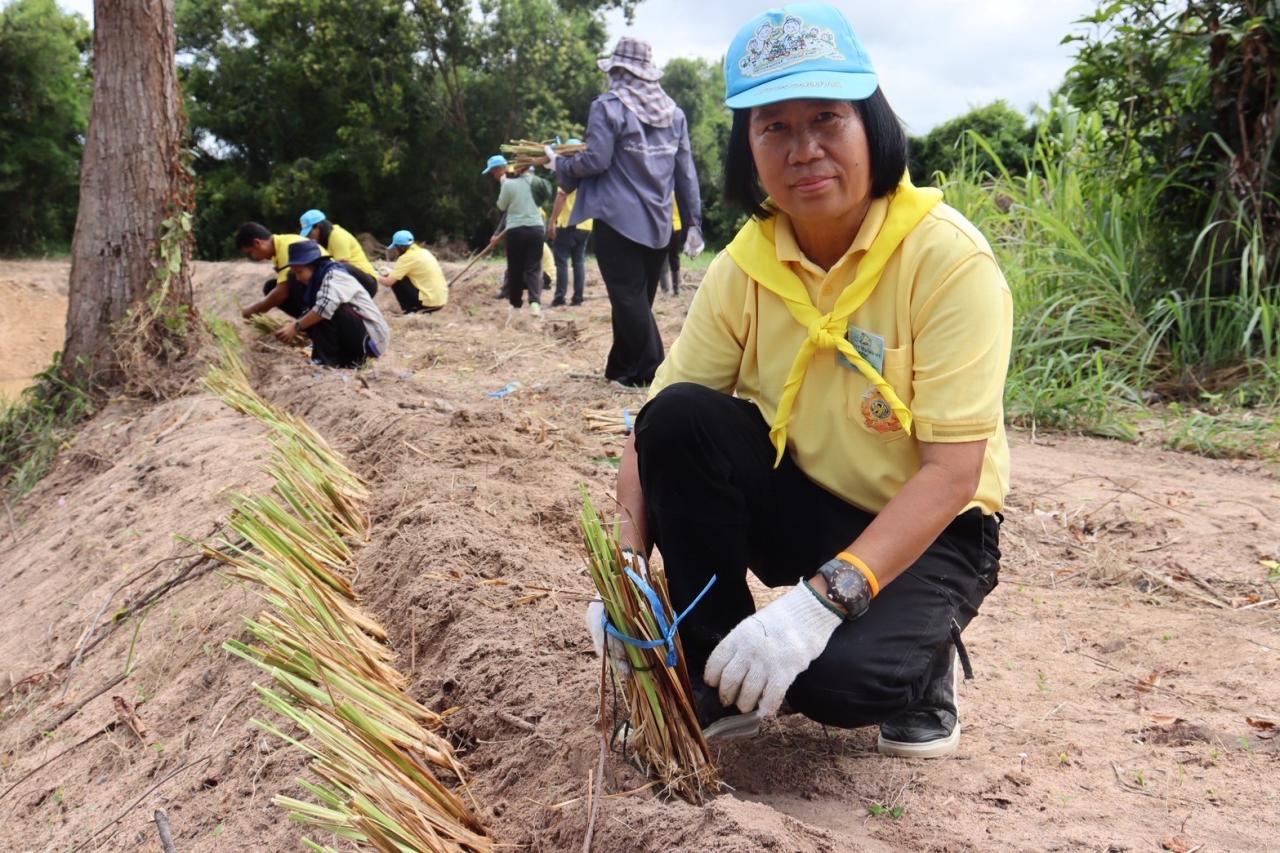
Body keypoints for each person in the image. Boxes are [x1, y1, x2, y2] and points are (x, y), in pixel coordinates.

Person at [588, 4, 1011, 759]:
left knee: (837, 684)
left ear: (871, 124)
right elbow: (652, 429)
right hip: (806, 497)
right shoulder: (746, 264)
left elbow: (953, 473)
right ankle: (712, 674)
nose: (804, 149)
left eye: (826, 118)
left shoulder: (947, 260)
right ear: (746, 148)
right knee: (679, 418)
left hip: (933, 523)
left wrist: (815, 610)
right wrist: (626, 575)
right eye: (773, 127)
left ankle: (922, 672)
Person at [544, 38, 704, 387]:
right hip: (659, 223)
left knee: (629, 300)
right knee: (635, 301)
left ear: (619, 71)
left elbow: (596, 160)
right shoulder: (673, 114)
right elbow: (685, 171)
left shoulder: (608, 107)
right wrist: (693, 223)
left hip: (618, 221)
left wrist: (560, 164)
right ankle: (621, 370)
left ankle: (654, 371)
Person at [273, 240, 390, 368]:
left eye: (299, 272)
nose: (297, 278)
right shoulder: (318, 279)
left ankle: (326, 361)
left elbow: (323, 309)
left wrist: (295, 327)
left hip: (372, 339)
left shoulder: (334, 275)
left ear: (313, 266)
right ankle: (336, 359)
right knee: (312, 313)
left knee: (324, 310)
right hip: (357, 334)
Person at [484, 155, 552, 316]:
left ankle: (516, 305)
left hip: (516, 230)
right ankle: (535, 304)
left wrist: (503, 184)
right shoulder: (538, 182)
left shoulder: (508, 184)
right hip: (536, 229)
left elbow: (501, 206)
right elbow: (545, 197)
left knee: (515, 268)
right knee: (533, 268)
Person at [236, 221, 328, 319]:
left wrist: (254, 310)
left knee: (291, 279)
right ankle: (305, 319)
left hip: (327, 289)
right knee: (271, 286)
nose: (253, 257)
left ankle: (311, 321)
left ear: (257, 243)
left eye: (250, 253)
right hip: (318, 288)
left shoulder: (287, 248)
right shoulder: (277, 249)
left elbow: (282, 292)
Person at [547, 138, 593, 307]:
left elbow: (562, 196)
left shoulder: (569, 171)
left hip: (568, 222)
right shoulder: (590, 172)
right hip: (586, 223)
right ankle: (578, 298)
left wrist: (552, 220)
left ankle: (560, 297)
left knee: (561, 261)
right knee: (579, 261)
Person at [298, 209, 379, 295]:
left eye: (309, 233)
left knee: (335, 268)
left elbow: (342, 268)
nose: (309, 237)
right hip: (351, 281)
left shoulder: (337, 236)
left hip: (366, 281)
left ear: (318, 227)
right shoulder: (324, 241)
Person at [378, 230, 447, 314]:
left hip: (428, 302)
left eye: (396, 247)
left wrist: (373, 273)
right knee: (399, 276)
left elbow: (388, 282)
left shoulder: (406, 257)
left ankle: (411, 310)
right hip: (441, 300)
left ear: (401, 247)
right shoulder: (425, 252)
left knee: (396, 281)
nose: (395, 250)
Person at [657, 198, 687, 296]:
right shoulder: (676, 193)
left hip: (670, 226)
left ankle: (670, 288)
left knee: (667, 256)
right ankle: (672, 288)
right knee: (670, 256)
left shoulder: (668, 193)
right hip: (672, 225)